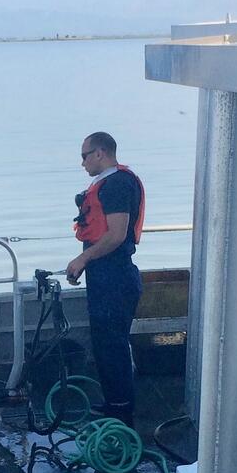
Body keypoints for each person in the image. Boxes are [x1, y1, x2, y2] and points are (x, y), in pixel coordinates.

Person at [66, 132, 145, 426]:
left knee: (113, 345)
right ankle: (114, 403)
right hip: (105, 276)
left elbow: (115, 235)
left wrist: (83, 259)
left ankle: (122, 413)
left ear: (100, 153)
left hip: (115, 277)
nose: (82, 162)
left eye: (85, 155)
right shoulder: (108, 183)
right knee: (104, 343)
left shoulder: (117, 185)